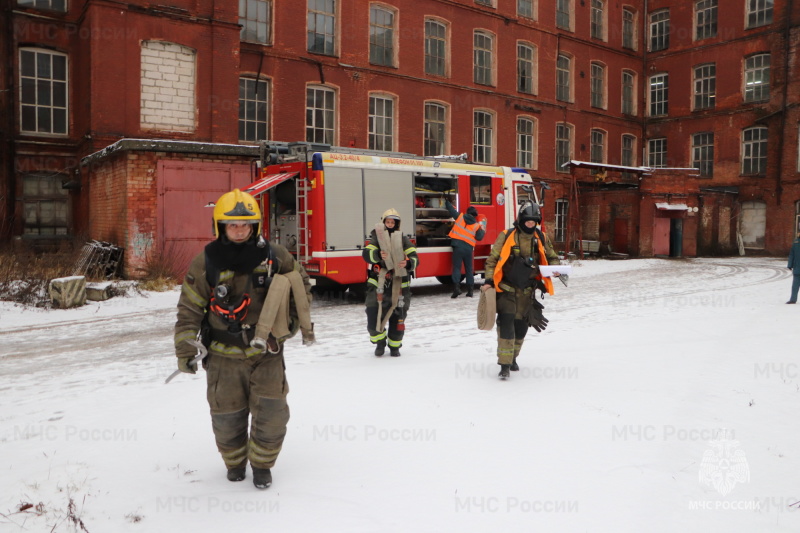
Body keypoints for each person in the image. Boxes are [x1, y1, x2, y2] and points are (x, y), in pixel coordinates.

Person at [174, 188, 312, 489]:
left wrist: (288, 322)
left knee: (273, 415)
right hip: (223, 358)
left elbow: (300, 285)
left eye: (246, 225)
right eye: (233, 225)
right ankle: (234, 464)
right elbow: (189, 308)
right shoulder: (205, 262)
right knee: (226, 418)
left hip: (267, 354)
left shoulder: (275, 257)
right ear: (220, 227)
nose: (240, 230)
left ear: (256, 226)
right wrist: (184, 348)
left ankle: (262, 465)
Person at [481, 201, 561, 379]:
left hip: (527, 292)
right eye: (528, 222)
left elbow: (552, 257)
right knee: (506, 326)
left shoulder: (541, 238)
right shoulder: (507, 235)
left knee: (521, 328)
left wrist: (556, 269)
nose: (531, 225)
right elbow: (492, 260)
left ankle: (513, 358)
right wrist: (488, 280)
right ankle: (504, 365)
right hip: (506, 290)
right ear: (521, 220)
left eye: (534, 222)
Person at [362, 208, 419, 357]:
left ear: (397, 223)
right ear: (383, 222)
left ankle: (395, 346)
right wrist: (377, 254)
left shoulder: (403, 239)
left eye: (393, 222)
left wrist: (407, 263)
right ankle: (380, 343)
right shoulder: (376, 238)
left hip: (400, 287)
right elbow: (366, 253)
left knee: (398, 319)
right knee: (373, 315)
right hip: (379, 285)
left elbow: (414, 257)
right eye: (388, 221)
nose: (390, 224)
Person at [445, 199, 485, 298]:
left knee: (457, 268)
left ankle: (456, 289)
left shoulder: (460, 217)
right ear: (475, 215)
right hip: (468, 250)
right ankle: (470, 291)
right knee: (469, 269)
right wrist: (483, 229)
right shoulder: (476, 226)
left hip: (458, 248)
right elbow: (479, 238)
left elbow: (451, 210)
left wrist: (447, 201)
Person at [787, 232, 800, 304]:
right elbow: (792, 254)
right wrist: (790, 264)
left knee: (795, 285)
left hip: (796, 268)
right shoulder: (795, 243)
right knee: (795, 286)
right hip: (797, 268)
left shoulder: (795, 242)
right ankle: (793, 299)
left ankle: (793, 299)